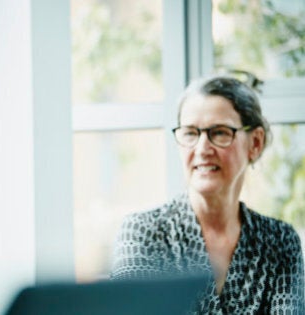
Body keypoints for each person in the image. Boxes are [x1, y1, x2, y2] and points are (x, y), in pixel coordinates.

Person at [111, 75, 305, 314]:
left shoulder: (280, 241)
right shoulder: (141, 233)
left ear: (255, 143)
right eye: (190, 133)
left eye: (220, 132)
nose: (202, 149)